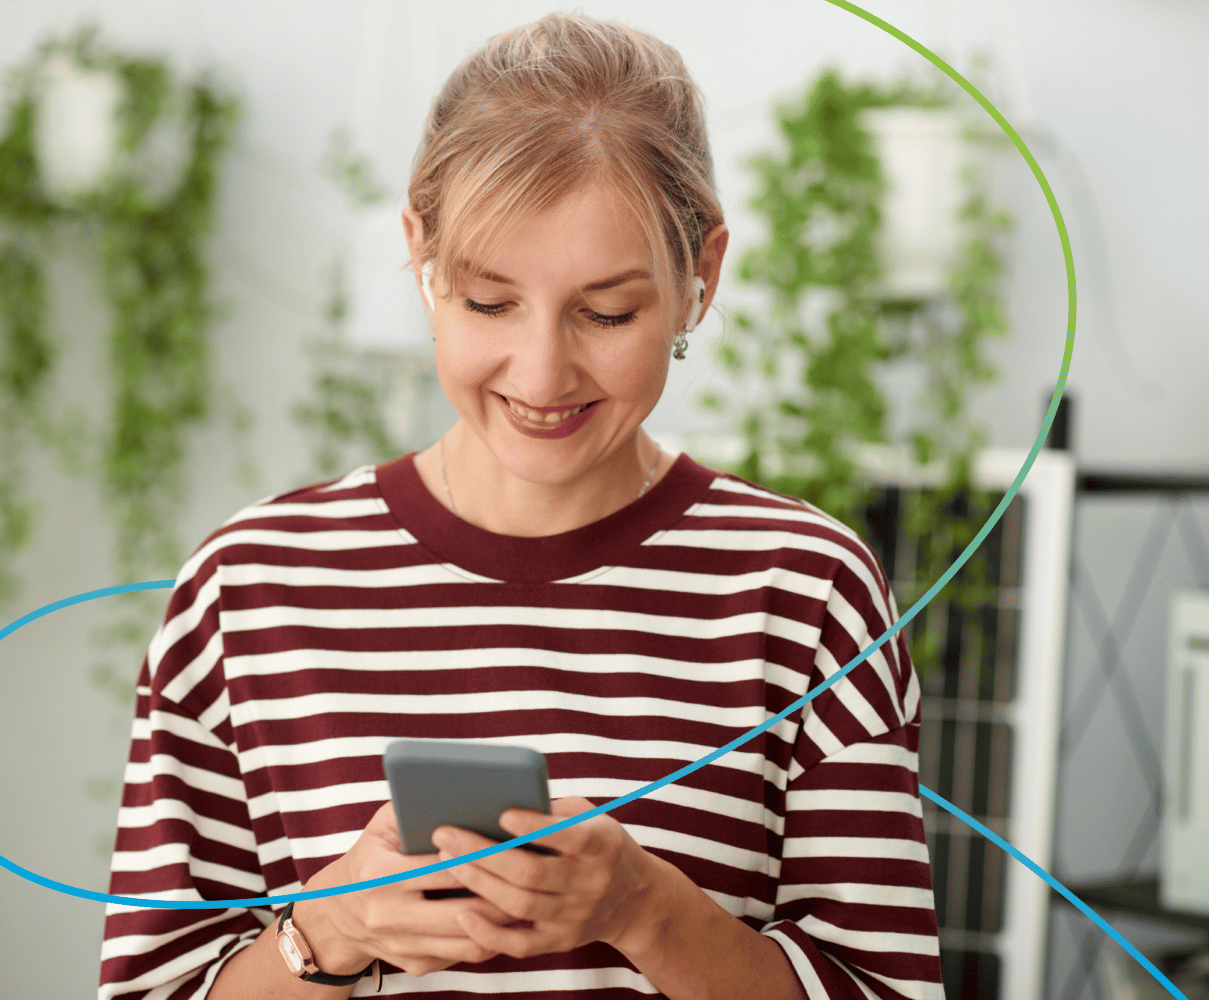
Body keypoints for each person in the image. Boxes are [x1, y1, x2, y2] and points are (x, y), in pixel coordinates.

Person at [98, 12, 944, 1000]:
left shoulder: (804, 590)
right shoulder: (249, 587)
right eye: (489, 302)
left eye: (607, 311)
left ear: (700, 278)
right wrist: (330, 930)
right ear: (420, 257)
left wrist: (644, 909)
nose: (541, 374)